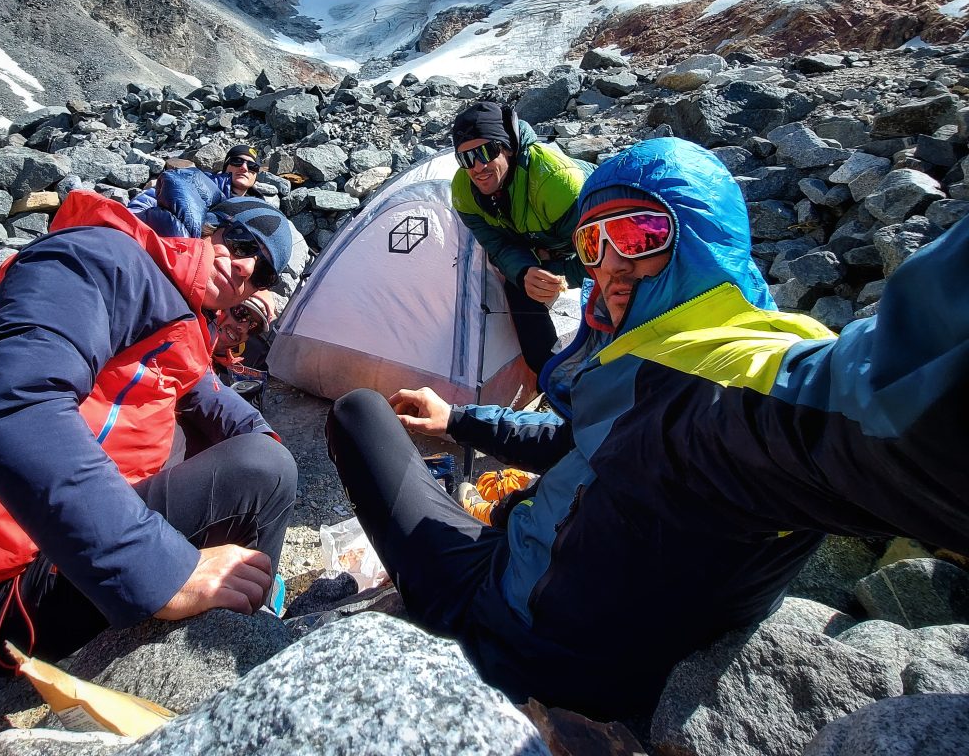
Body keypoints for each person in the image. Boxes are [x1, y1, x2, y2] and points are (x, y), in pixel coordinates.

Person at [326, 137, 969, 718]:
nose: (609, 265)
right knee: (486, 489)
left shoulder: (731, 389)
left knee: (357, 414)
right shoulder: (661, 360)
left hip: (510, 636)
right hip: (549, 598)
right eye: (592, 243)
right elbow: (587, 445)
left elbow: (887, 396)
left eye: (637, 235)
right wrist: (460, 419)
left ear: (701, 238)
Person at [0, 191, 299, 675]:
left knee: (245, 448)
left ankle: (237, 592)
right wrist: (158, 568)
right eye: (238, 242)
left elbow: (212, 398)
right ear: (201, 227)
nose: (242, 268)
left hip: (28, 547)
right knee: (264, 473)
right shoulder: (98, 257)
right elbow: (10, 407)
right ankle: (242, 646)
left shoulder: (179, 317)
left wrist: (266, 438)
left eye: (259, 273)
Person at [450, 102, 595, 376]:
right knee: (519, 287)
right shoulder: (463, 191)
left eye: (487, 152)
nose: (477, 167)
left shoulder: (556, 183)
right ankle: (552, 378)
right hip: (542, 238)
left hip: (594, 232)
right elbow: (498, 245)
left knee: (612, 290)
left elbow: (606, 257)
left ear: (508, 147)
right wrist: (526, 271)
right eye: (466, 158)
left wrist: (559, 275)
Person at [128, 144, 264, 235]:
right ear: (226, 167)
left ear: (256, 175)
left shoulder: (259, 209)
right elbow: (144, 203)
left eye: (252, 166)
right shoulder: (198, 179)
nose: (244, 168)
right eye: (237, 161)